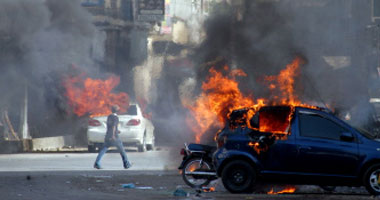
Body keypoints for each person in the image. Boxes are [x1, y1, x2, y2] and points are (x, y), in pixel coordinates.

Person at [94, 105, 132, 169]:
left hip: (108, 135)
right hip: (114, 137)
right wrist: (113, 135)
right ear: (117, 111)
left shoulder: (109, 116)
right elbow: (113, 126)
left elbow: (110, 126)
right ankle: (126, 164)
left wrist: (116, 131)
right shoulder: (115, 117)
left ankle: (97, 163)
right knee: (122, 150)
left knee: (103, 150)